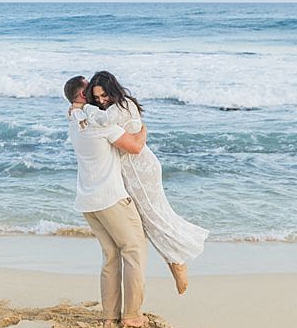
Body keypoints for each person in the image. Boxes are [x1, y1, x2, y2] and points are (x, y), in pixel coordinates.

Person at [80, 70, 209, 296]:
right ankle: (175, 260)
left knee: (153, 218)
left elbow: (102, 121)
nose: (100, 101)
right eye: (96, 97)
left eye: (103, 96)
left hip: (140, 170)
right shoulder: (115, 107)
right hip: (130, 169)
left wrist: (82, 108)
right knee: (148, 219)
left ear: (112, 90)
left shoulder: (121, 106)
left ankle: (177, 261)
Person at [63, 74, 149, 328]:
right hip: (110, 198)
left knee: (111, 255)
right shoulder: (100, 124)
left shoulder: (73, 119)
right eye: (90, 91)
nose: (97, 98)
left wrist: (77, 108)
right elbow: (134, 146)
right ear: (82, 96)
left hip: (88, 201)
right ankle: (132, 315)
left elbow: (77, 112)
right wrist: (144, 128)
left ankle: (110, 315)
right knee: (134, 251)